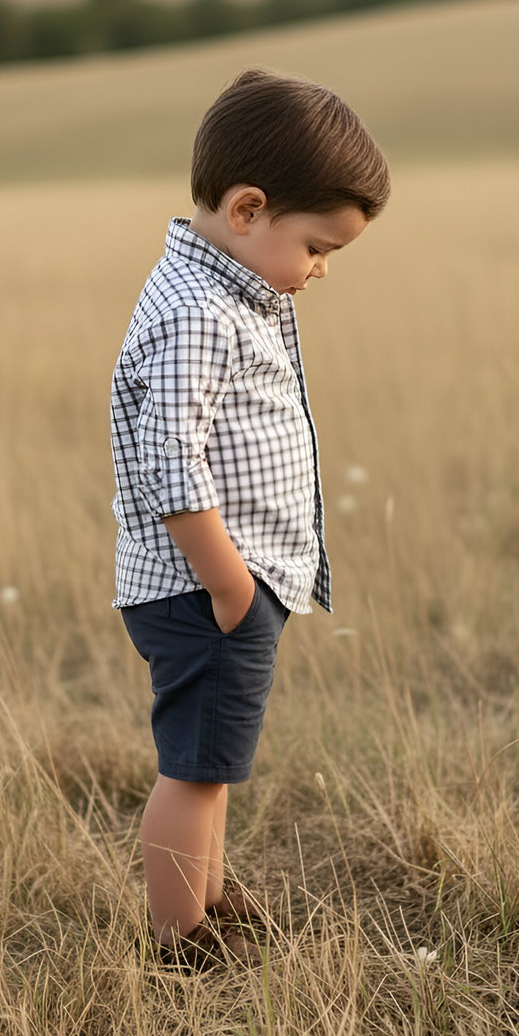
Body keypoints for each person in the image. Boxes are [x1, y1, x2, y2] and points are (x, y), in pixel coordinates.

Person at [109, 67, 390, 964]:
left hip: (225, 581)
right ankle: (180, 946)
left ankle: (210, 903)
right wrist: (231, 582)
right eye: (316, 247)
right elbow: (170, 463)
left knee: (213, 762)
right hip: (207, 586)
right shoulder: (200, 311)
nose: (317, 270)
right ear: (246, 209)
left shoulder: (227, 289)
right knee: (193, 772)